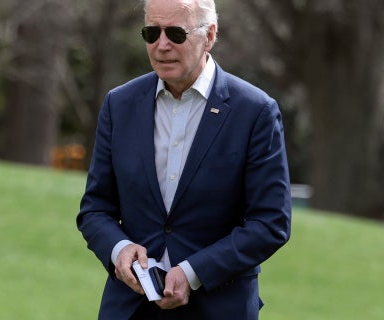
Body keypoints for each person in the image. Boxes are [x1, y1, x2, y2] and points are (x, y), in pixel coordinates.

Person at [76, 0, 292, 318]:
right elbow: (95, 210)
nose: (162, 45)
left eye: (176, 33)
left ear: (210, 35)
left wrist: (193, 272)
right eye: (152, 33)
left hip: (217, 306)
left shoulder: (255, 111)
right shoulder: (119, 105)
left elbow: (271, 223)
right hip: (130, 307)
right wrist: (118, 250)